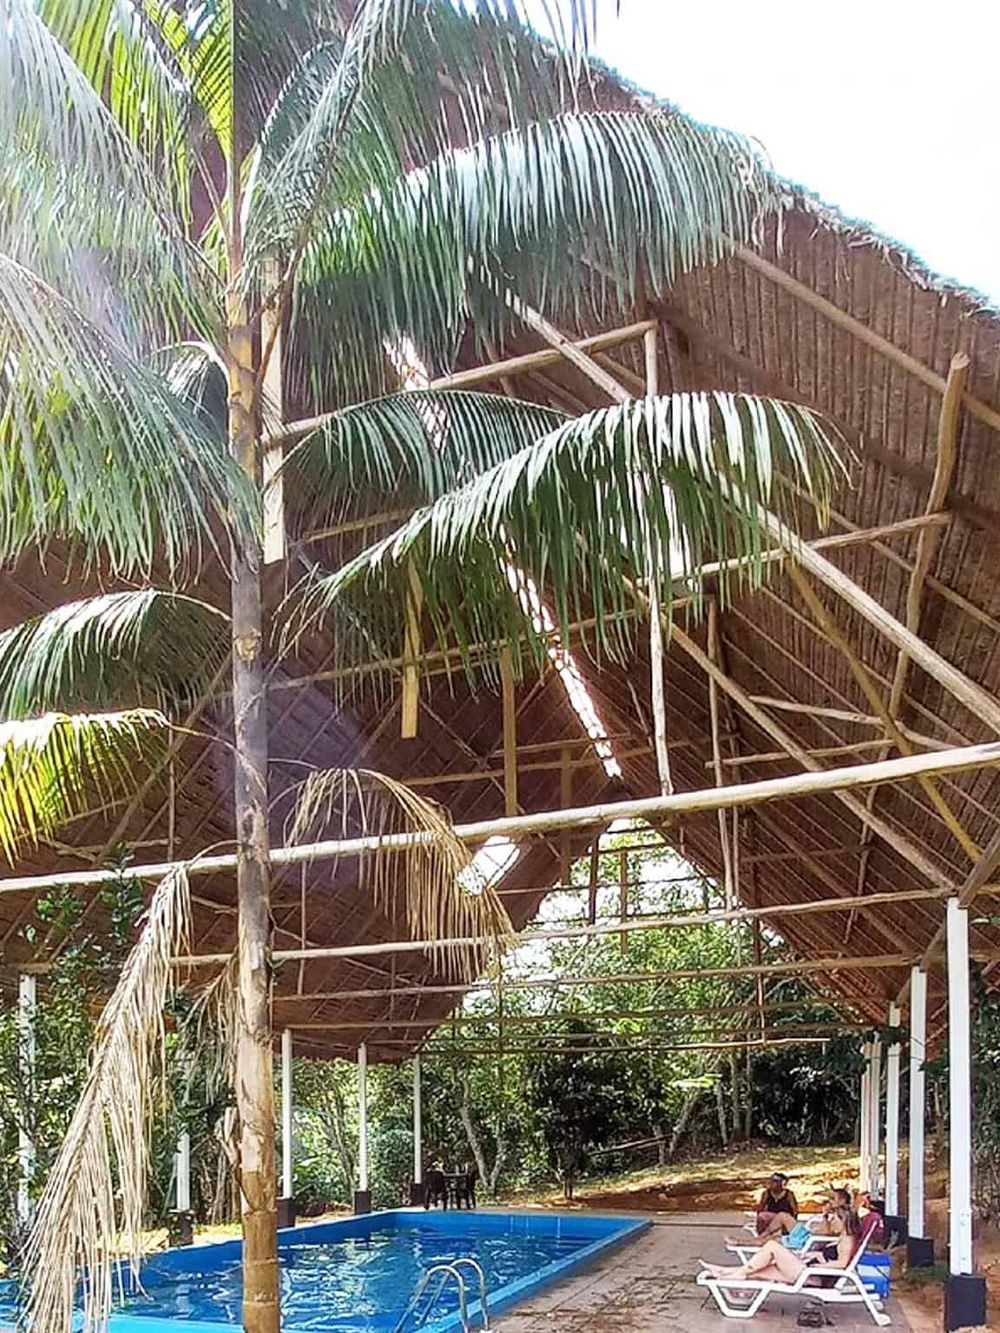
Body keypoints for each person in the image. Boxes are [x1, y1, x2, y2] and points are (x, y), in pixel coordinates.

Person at [703, 1205, 860, 1284]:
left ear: (844, 1220)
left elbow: (842, 1264)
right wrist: (817, 1255)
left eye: (834, 1219)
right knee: (758, 1271)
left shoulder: (847, 1239)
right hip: (811, 1272)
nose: (831, 1222)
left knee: (772, 1246)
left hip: (811, 1275)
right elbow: (834, 1259)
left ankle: (736, 1271)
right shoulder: (843, 1236)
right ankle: (724, 1272)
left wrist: (816, 1266)